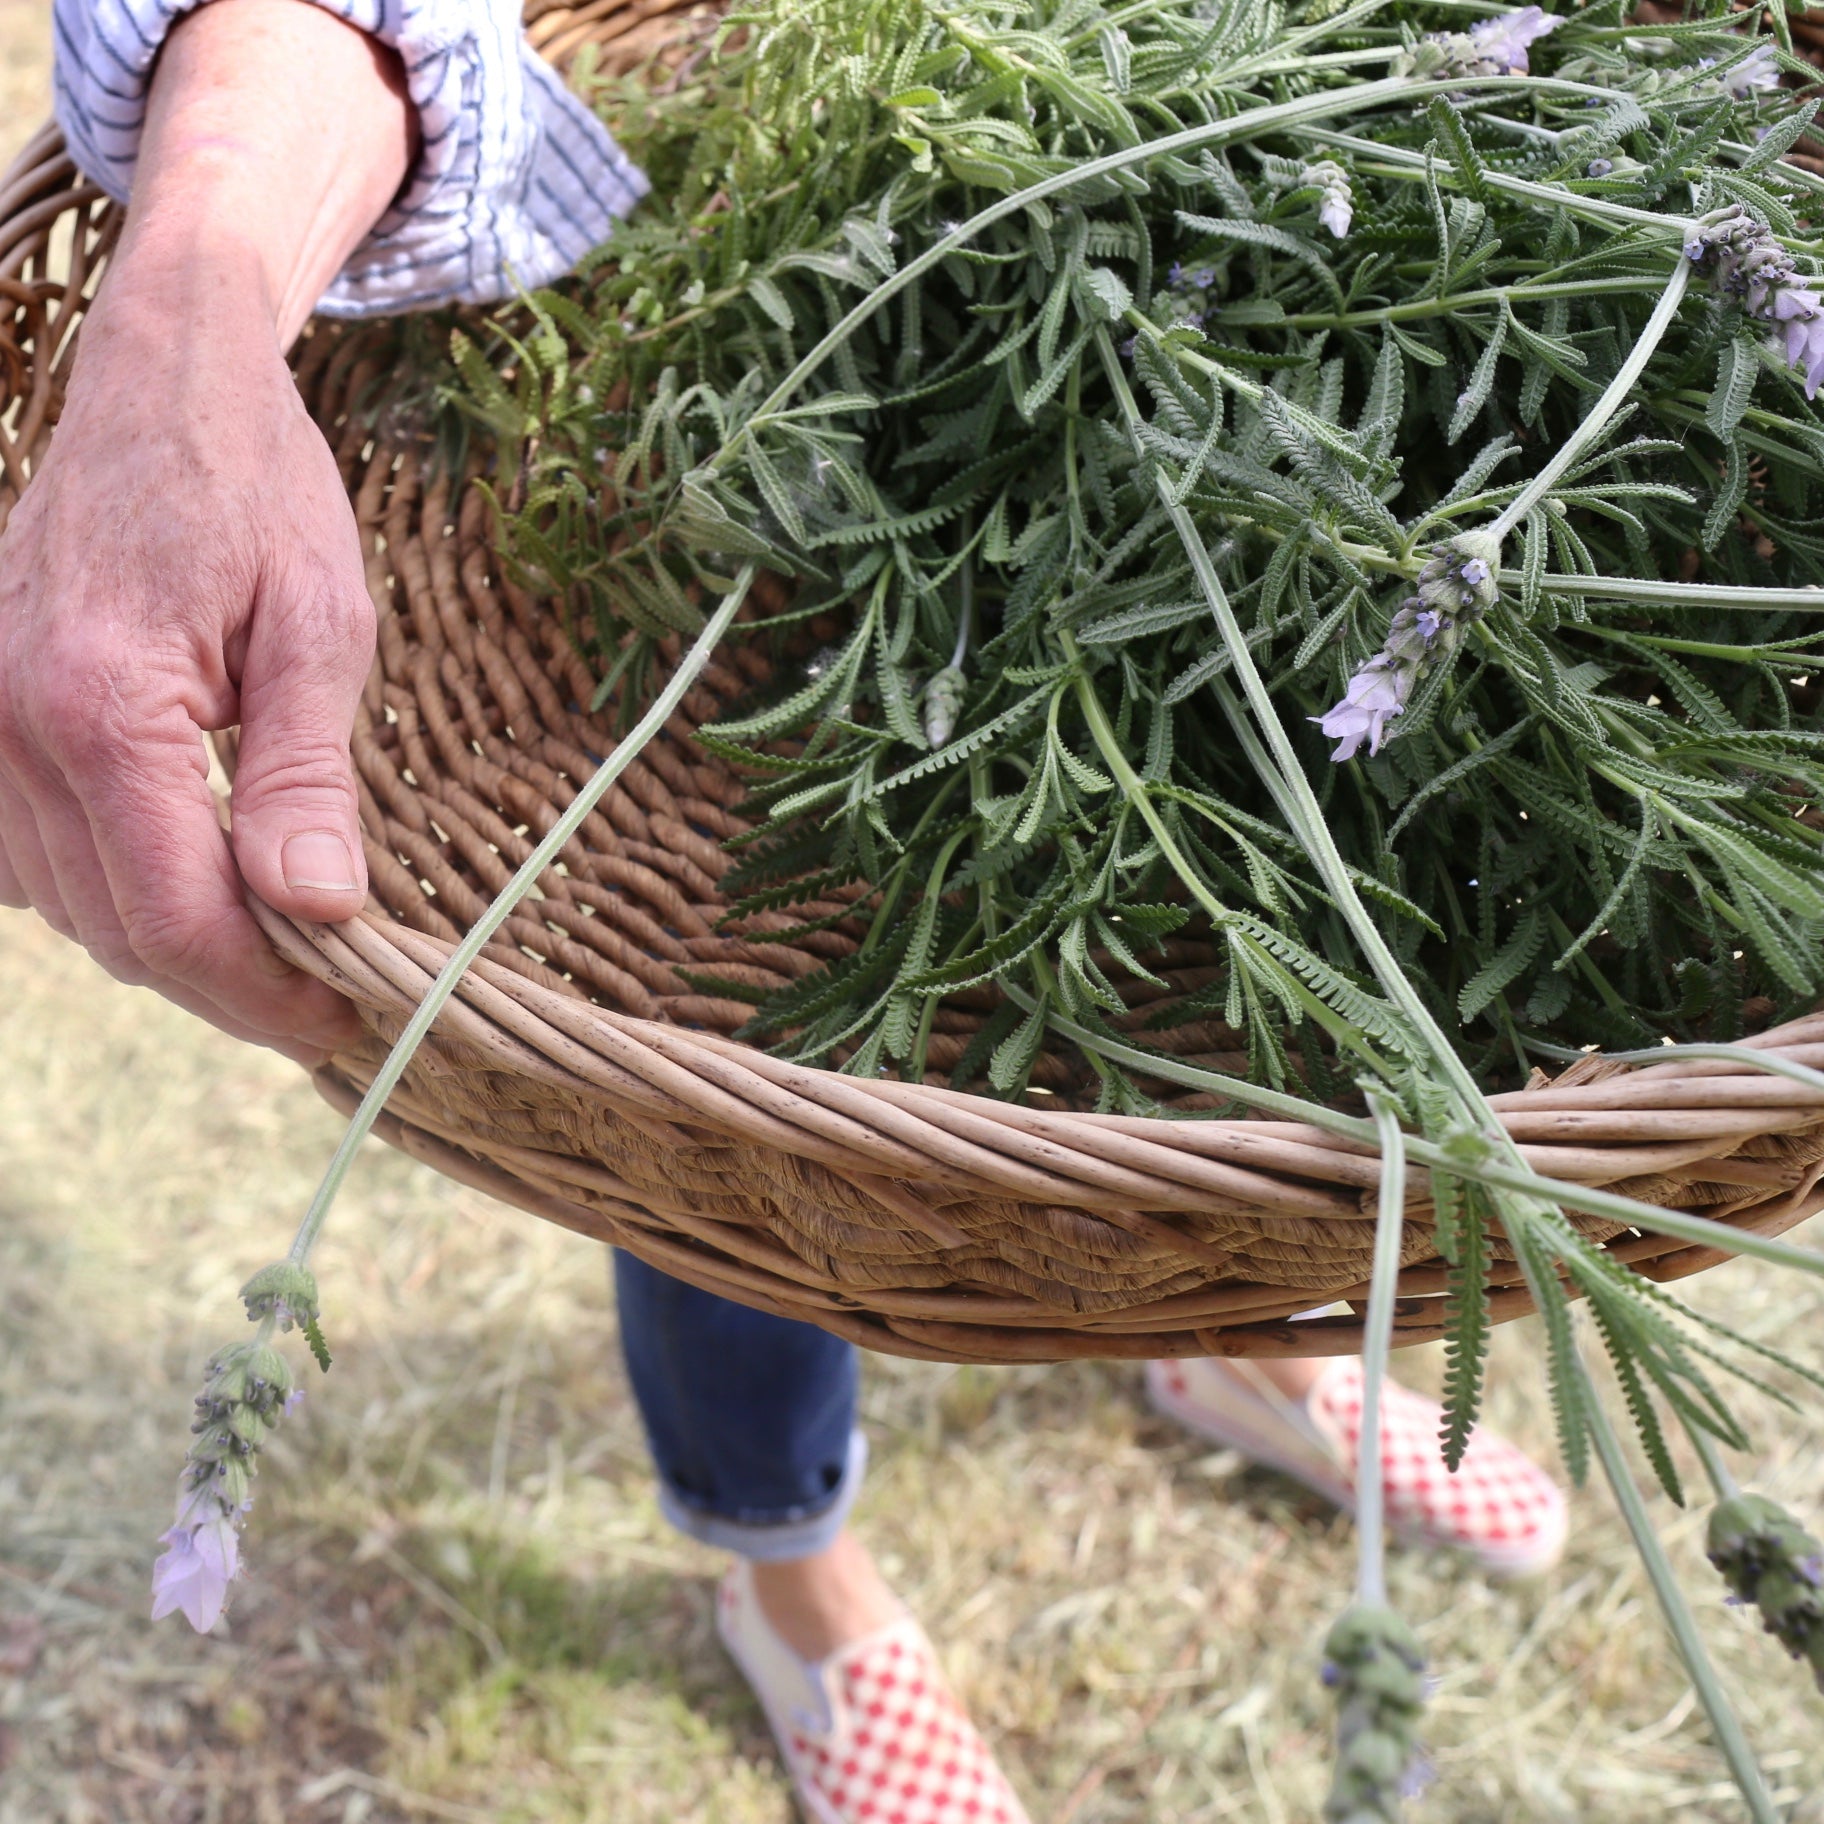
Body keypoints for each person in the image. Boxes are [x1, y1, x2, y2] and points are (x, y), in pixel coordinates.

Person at [2, 3, 1564, 1818]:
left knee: (1254, 902)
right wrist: (188, 312)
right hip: (757, 264)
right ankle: (790, 1572)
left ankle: (1232, 1333)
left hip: (1241, 208)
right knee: (738, 1070)